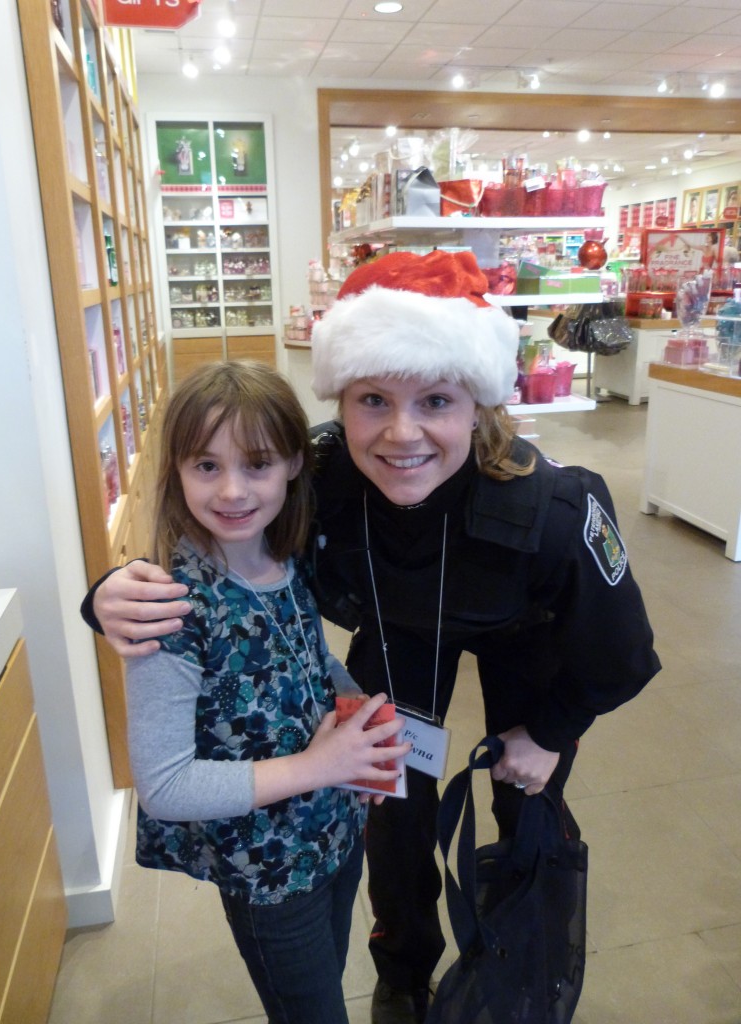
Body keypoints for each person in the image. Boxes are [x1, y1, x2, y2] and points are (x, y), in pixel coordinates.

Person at [82, 250, 661, 1024]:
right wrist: (107, 597)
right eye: (373, 400)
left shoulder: (551, 508)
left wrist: (552, 733)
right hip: (400, 628)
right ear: (341, 403)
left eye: (436, 401)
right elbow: (227, 530)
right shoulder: (320, 472)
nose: (402, 433)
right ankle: (402, 971)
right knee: (391, 804)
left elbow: (622, 649)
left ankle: (520, 964)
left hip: (525, 631)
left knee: (526, 799)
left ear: (479, 405)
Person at [117, 360, 410, 1024]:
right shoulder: (171, 610)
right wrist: (318, 765)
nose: (232, 491)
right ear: (176, 471)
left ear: (292, 468)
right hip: (268, 874)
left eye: (256, 464)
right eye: (206, 466)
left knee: (327, 977)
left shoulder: (287, 556)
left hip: (334, 830)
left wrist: (360, 721)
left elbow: (304, 660)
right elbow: (165, 785)